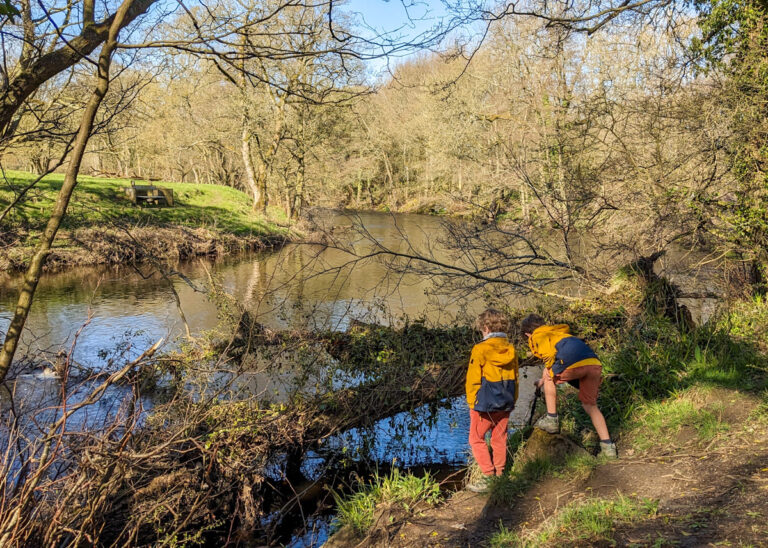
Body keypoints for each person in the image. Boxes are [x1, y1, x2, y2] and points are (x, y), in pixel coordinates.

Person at [521, 313, 618, 458]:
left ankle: (552, 419)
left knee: (549, 379)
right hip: (593, 364)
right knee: (590, 405)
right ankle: (608, 447)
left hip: (572, 363)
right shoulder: (558, 333)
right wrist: (543, 380)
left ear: (527, 333)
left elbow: (549, 359)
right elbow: (553, 362)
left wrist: (546, 379)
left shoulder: (537, 336)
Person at [465, 308, 519, 493]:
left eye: (481, 329)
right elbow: (516, 377)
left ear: (486, 328)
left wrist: (472, 402)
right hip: (506, 401)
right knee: (499, 438)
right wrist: (513, 400)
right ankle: (500, 475)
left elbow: (473, 378)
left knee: (476, 439)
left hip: (485, 404)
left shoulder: (480, 349)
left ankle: (488, 477)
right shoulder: (511, 349)